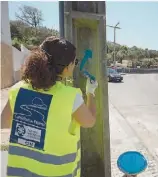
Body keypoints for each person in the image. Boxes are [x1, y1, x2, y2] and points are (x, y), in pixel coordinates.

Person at [1, 36, 98, 177]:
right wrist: (90, 93)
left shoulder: (18, 89)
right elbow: (90, 122)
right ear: (66, 68)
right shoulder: (70, 96)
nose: (75, 65)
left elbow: (4, 122)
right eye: (74, 62)